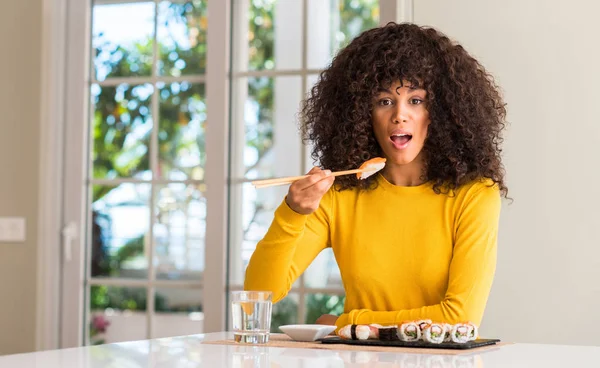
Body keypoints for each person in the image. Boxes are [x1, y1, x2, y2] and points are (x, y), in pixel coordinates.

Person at [244, 22, 508, 330]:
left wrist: (349, 323)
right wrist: (292, 213)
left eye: (416, 100)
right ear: (361, 114)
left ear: (442, 112)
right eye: (384, 101)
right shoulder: (339, 195)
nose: (399, 114)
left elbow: (460, 318)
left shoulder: (474, 195)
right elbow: (260, 295)